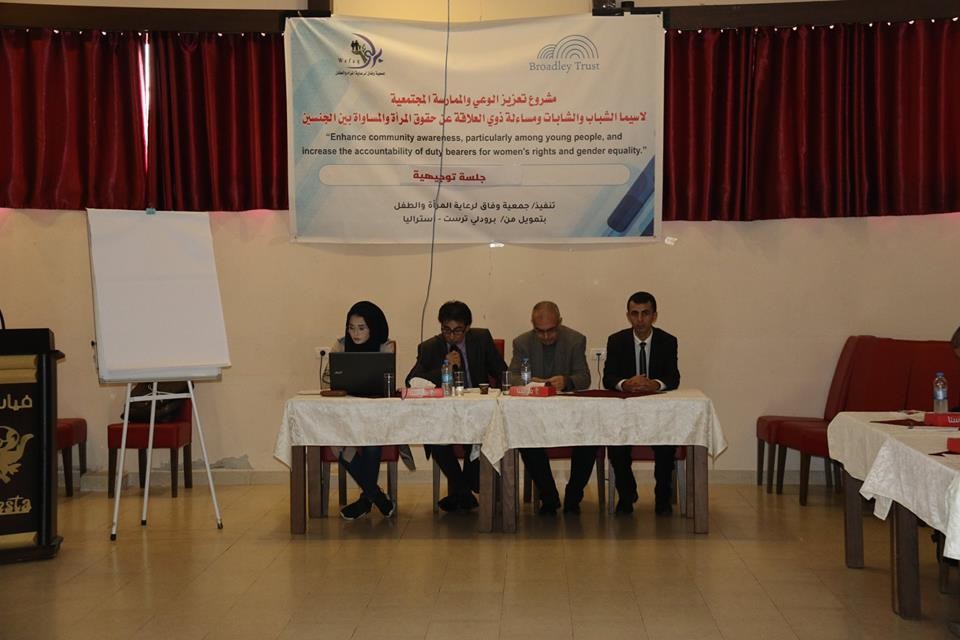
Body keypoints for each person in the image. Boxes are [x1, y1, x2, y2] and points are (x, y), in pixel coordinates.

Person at [406, 300, 506, 512]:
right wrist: (445, 366)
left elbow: (501, 371)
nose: (451, 336)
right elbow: (412, 381)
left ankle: (461, 493)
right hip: (444, 415)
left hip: (478, 413)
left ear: (467, 327)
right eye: (446, 330)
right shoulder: (430, 347)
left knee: (477, 451)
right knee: (434, 438)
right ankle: (463, 491)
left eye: (457, 330)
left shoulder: (481, 339)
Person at [509, 301, 591, 515]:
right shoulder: (522, 342)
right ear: (533, 325)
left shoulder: (575, 340)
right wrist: (530, 382)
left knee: (591, 438)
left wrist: (567, 381)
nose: (546, 336)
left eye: (551, 330)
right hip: (535, 416)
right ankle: (549, 496)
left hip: (570, 415)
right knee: (525, 438)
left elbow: (584, 378)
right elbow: (512, 377)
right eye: (540, 331)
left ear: (560, 323)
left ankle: (574, 495)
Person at [602, 291, 681, 516]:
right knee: (616, 446)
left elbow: (673, 377)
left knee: (666, 445)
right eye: (634, 313)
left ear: (654, 315)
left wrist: (654, 384)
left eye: (645, 313)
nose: (640, 319)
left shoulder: (668, 341)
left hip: (658, 414)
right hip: (626, 413)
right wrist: (625, 384)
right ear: (628, 315)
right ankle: (627, 494)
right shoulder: (616, 341)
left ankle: (662, 497)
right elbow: (608, 378)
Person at [327, 301, 396, 520]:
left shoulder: (385, 347)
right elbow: (329, 382)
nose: (355, 334)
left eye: (361, 328)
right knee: (337, 444)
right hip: (345, 415)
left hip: (375, 415)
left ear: (373, 328)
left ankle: (366, 500)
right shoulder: (340, 346)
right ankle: (376, 496)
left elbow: (387, 386)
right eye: (351, 328)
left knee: (372, 442)